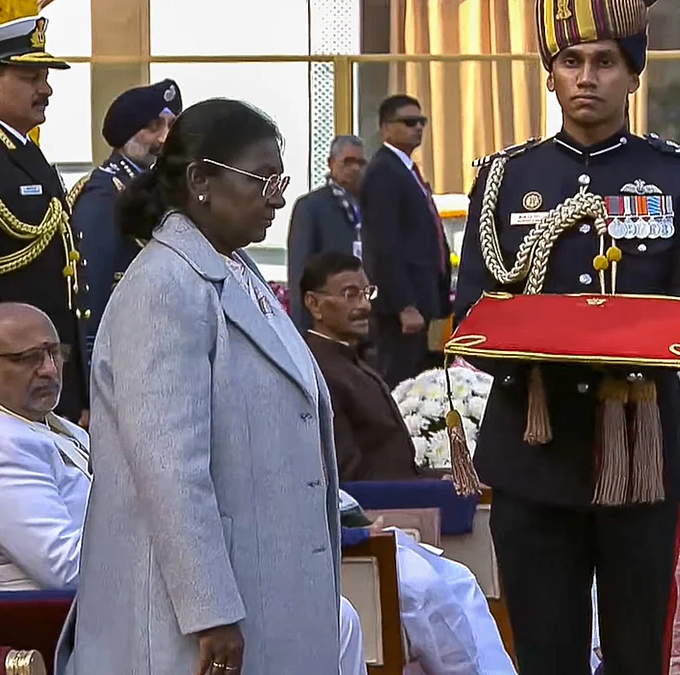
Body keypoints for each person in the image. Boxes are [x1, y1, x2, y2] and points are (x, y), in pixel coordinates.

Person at [452, 0, 680, 672]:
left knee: (637, 653)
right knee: (546, 653)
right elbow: (473, 313)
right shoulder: (504, 178)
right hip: (532, 443)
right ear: (549, 76)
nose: (585, 76)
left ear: (633, 75)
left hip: (637, 443)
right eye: (570, 61)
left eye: (605, 61)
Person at [55, 98, 341, 675]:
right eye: (264, 180)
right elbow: (170, 470)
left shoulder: (236, 268)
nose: (279, 198)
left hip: (264, 582)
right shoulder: (165, 286)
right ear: (201, 181)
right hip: (194, 619)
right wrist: (211, 611)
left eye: (280, 180)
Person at [0, 16, 88, 425]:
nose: (46, 89)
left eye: (44, 76)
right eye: (31, 77)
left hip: (46, 370)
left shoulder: (25, 153)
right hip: (9, 380)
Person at [0, 303, 89, 591]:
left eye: (55, 353)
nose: (50, 369)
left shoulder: (46, 423)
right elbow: (69, 570)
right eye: (29, 358)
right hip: (65, 623)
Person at [338, 490, 517, 674]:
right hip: (346, 547)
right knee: (424, 588)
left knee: (460, 579)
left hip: (350, 525)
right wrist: (360, 534)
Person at [70, 79, 182, 370]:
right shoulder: (105, 193)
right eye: (153, 126)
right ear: (125, 134)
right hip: (122, 346)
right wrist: (92, 374)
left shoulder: (159, 187)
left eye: (172, 125)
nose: (164, 138)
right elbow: (92, 293)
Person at [301, 252, 424, 481]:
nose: (365, 305)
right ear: (314, 303)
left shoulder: (349, 359)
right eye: (350, 295)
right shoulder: (318, 371)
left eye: (367, 293)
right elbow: (348, 477)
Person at [359, 94, 452, 388]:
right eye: (409, 122)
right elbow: (383, 245)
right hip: (403, 308)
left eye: (421, 122)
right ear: (386, 128)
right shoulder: (383, 172)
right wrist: (404, 305)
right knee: (401, 382)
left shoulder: (406, 170)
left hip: (423, 299)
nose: (418, 128)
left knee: (422, 381)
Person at [287, 134, 367, 333]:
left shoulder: (370, 206)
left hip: (363, 317)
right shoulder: (311, 206)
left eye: (360, 163)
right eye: (348, 162)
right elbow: (300, 272)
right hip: (325, 322)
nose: (355, 168)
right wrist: (303, 326)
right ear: (331, 164)